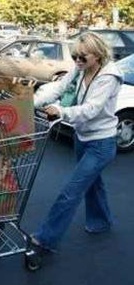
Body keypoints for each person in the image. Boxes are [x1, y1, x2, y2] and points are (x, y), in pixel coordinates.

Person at [31, 32, 123, 252]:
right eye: (74, 57)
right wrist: (30, 103)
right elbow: (59, 88)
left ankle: (45, 240)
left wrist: (60, 111)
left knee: (70, 191)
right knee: (93, 183)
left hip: (101, 144)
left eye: (83, 57)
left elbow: (91, 110)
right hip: (82, 138)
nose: (77, 61)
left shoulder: (109, 77)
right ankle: (101, 222)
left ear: (98, 55)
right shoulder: (79, 68)